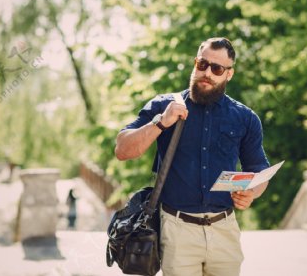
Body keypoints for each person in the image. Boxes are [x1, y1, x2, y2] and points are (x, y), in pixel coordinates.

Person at [115, 37, 270, 276]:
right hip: (177, 230)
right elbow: (123, 150)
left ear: (229, 74)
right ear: (194, 63)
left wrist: (251, 193)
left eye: (216, 68)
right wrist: (160, 122)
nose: (207, 72)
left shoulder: (245, 118)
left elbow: (260, 171)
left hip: (224, 230)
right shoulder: (164, 106)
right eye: (202, 64)